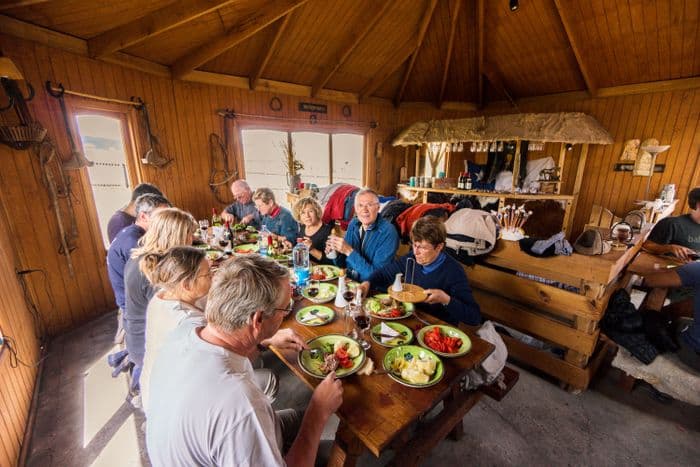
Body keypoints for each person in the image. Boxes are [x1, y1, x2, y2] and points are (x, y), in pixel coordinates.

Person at [146, 255, 343, 466]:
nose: (286, 312)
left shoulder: (185, 331)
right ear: (257, 320)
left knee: (295, 417)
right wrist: (318, 412)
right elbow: (240, 411)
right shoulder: (240, 404)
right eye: (285, 309)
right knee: (332, 446)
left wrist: (263, 341)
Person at [139, 246, 280, 413]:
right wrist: (266, 341)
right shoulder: (187, 322)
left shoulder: (165, 294)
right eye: (208, 274)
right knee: (268, 377)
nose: (213, 277)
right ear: (187, 285)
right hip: (179, 403)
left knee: (257, 361)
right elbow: (229, 355)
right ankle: (254, 420)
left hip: (162, 388)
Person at [123, 208, 197, 396]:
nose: (192, 240)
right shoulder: (154, 271)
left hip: (138, 333)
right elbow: (182, 313)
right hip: (149, 345)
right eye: (189, 234)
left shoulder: (145, 257)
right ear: (176, 236)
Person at [359, 216, 481, 326]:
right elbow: (384, 273)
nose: (416, 252)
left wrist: (445, 299)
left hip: (436, 328)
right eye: (414, 244)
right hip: (411, 321)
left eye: (422, 247)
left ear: (439, 247)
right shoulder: (411, 258)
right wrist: (367, 283)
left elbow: (474, 317)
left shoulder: (453, 271)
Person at [107, 193, 170, 344]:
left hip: (138, 297)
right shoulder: (134, 242)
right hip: (135, 307)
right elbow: (156, 279)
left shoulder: (136, 233)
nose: (166, 221)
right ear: (143, 216)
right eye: (162, 216)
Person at [326, 188, 399, 282]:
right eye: (360, 205)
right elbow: (344, 264)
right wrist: (336, 254)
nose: (364, 210)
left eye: (369, 205)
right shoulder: (354, 223)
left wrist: (349, 251)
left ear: (378, 207)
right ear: (356, 209)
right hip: (351, 283)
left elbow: (377, 277)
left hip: (375, 289)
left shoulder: (389, 232)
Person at [643, 263, 700, 372]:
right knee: (680, 320)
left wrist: (685, 269)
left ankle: (656, 384)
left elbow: (649, 280)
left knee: (651, 321)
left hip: (695, 355)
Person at [643, 187, 700, 261]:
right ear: (698, 204)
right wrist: (669, 248)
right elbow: (647, 246)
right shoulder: (671, 223)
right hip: (669, 269)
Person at [293, 197, 334, 264]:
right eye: (303, 212)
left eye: (310, 211)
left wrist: (312, 249)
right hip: (306, 266)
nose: (307, 216)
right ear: (299, 215)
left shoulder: (327, 231)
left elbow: (331, 262)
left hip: (321, 270)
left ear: (317, 212)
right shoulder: (303, 227)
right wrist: (290, 247)